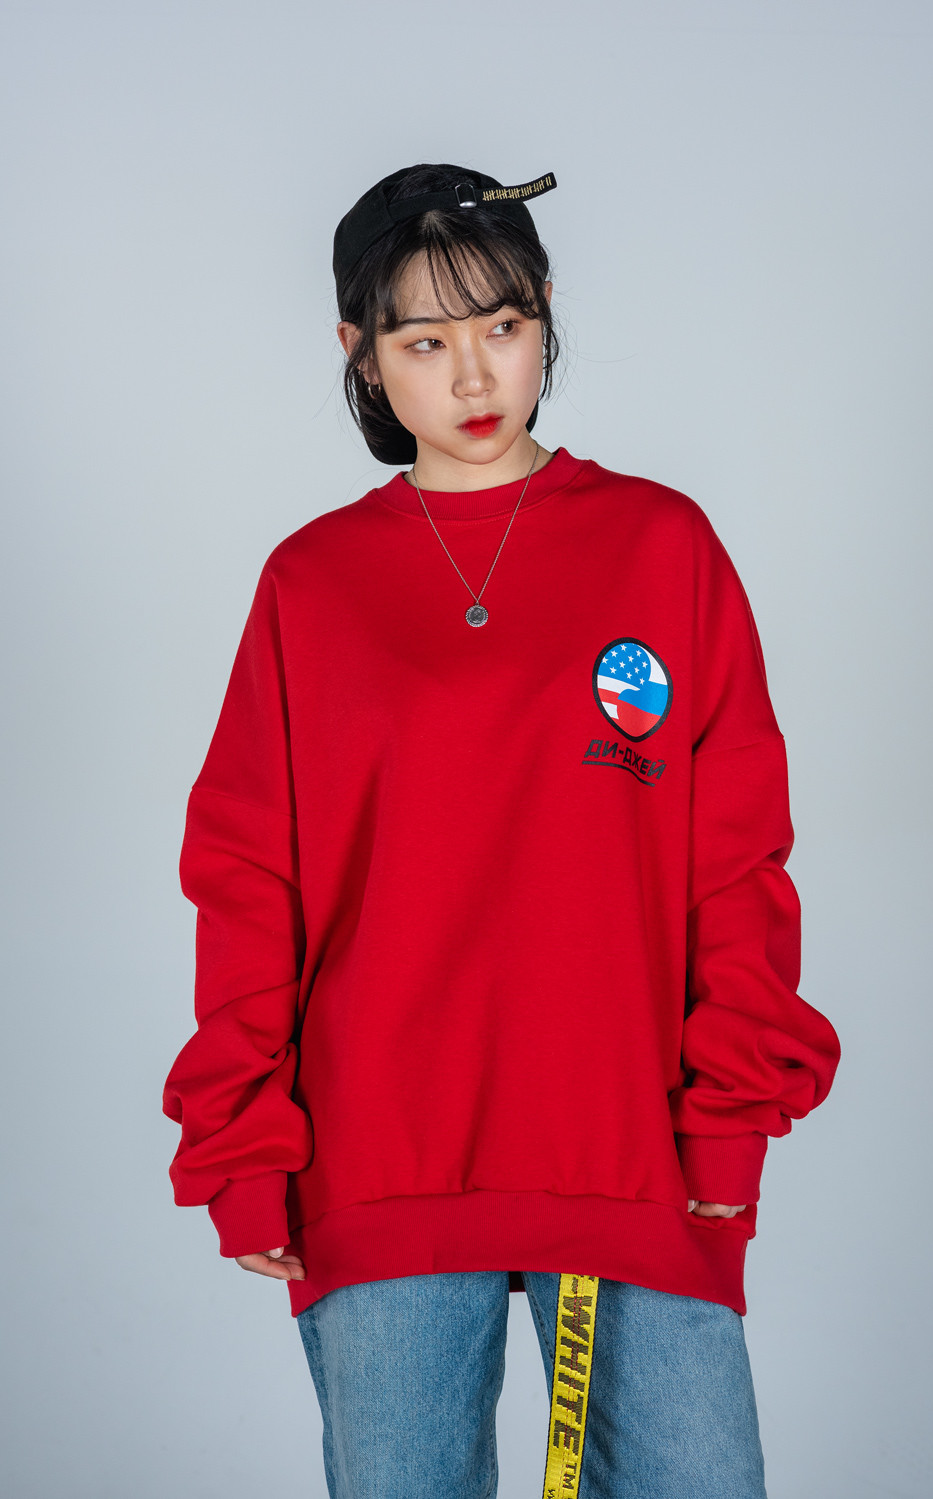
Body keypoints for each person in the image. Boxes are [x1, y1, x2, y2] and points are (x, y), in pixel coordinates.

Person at [162, 161, 841, 1498]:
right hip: (384, 1159)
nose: (474, 377)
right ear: (359, 354)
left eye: (505, 327)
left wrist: (727, 1126)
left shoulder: (661, 545)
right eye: (425, 343)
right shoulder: (314, 583)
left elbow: (736, 863)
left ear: (545, 317)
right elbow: (250, 881)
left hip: (636, 1156)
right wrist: (243, 1149)